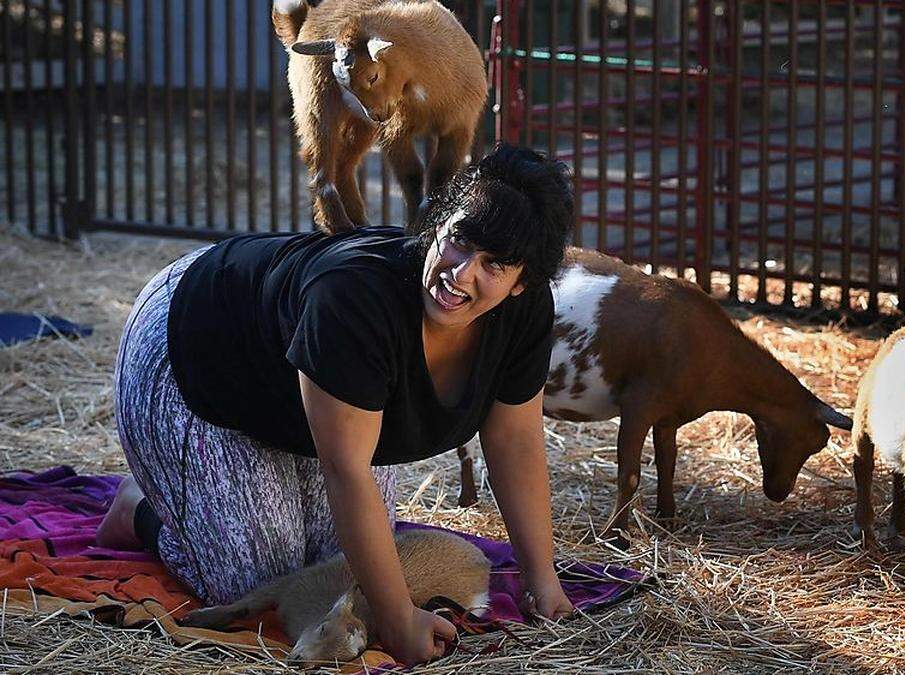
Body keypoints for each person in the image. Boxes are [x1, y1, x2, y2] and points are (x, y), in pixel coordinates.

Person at [96, 144, 575, 665]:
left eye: (493, 264)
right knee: (256, 583)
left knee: (333, 576)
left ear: (522, 283)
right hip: (196, 348)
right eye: (459, 241)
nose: (460, 274)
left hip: (307, 405)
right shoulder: (354, 296)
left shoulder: (523, 314)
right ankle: (138, 506)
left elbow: (514, 438)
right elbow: (346, 469)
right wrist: (397, 620)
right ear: (437, 224)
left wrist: (541, 578)